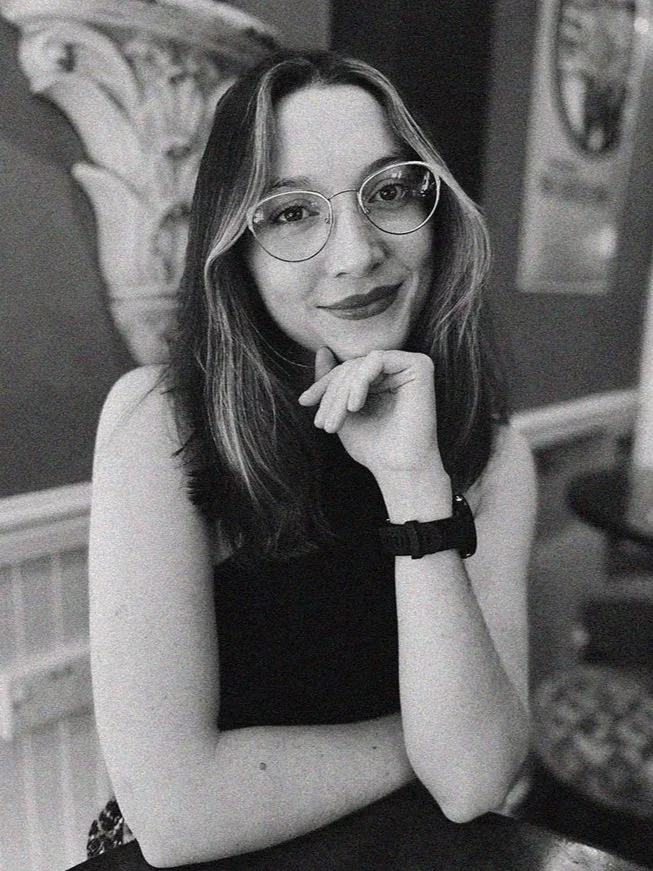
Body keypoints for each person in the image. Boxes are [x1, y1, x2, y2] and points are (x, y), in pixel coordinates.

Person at [88, 49, 536, 867]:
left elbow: (473, 780)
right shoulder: (159, 422)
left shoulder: (495, 453)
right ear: (236, 252)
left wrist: (413, 484)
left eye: (390, 191)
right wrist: (424, 743)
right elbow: (178, 813)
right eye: (290, 212)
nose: (356, 252)